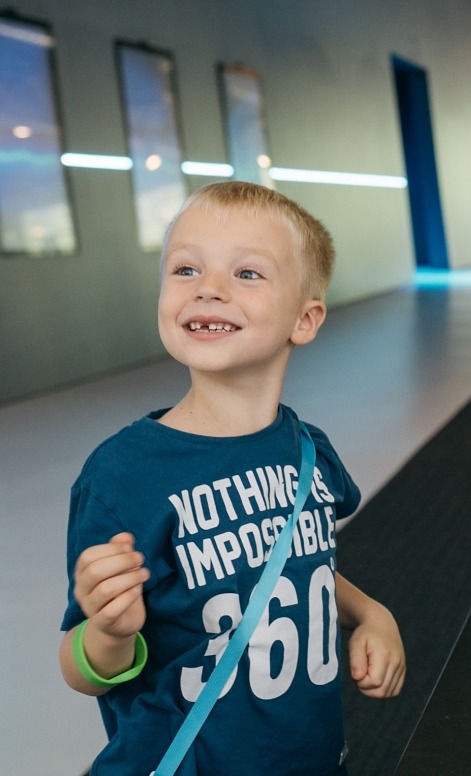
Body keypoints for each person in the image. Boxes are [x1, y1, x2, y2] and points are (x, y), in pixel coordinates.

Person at [59, 181, 405, 775]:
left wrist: (372, 613)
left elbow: (302, 561)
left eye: (247, 274)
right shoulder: (123, 476)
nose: (209, 288)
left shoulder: (306, 451)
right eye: (186, 268)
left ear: (305, 318)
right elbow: (77, 664)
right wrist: (110, 632)